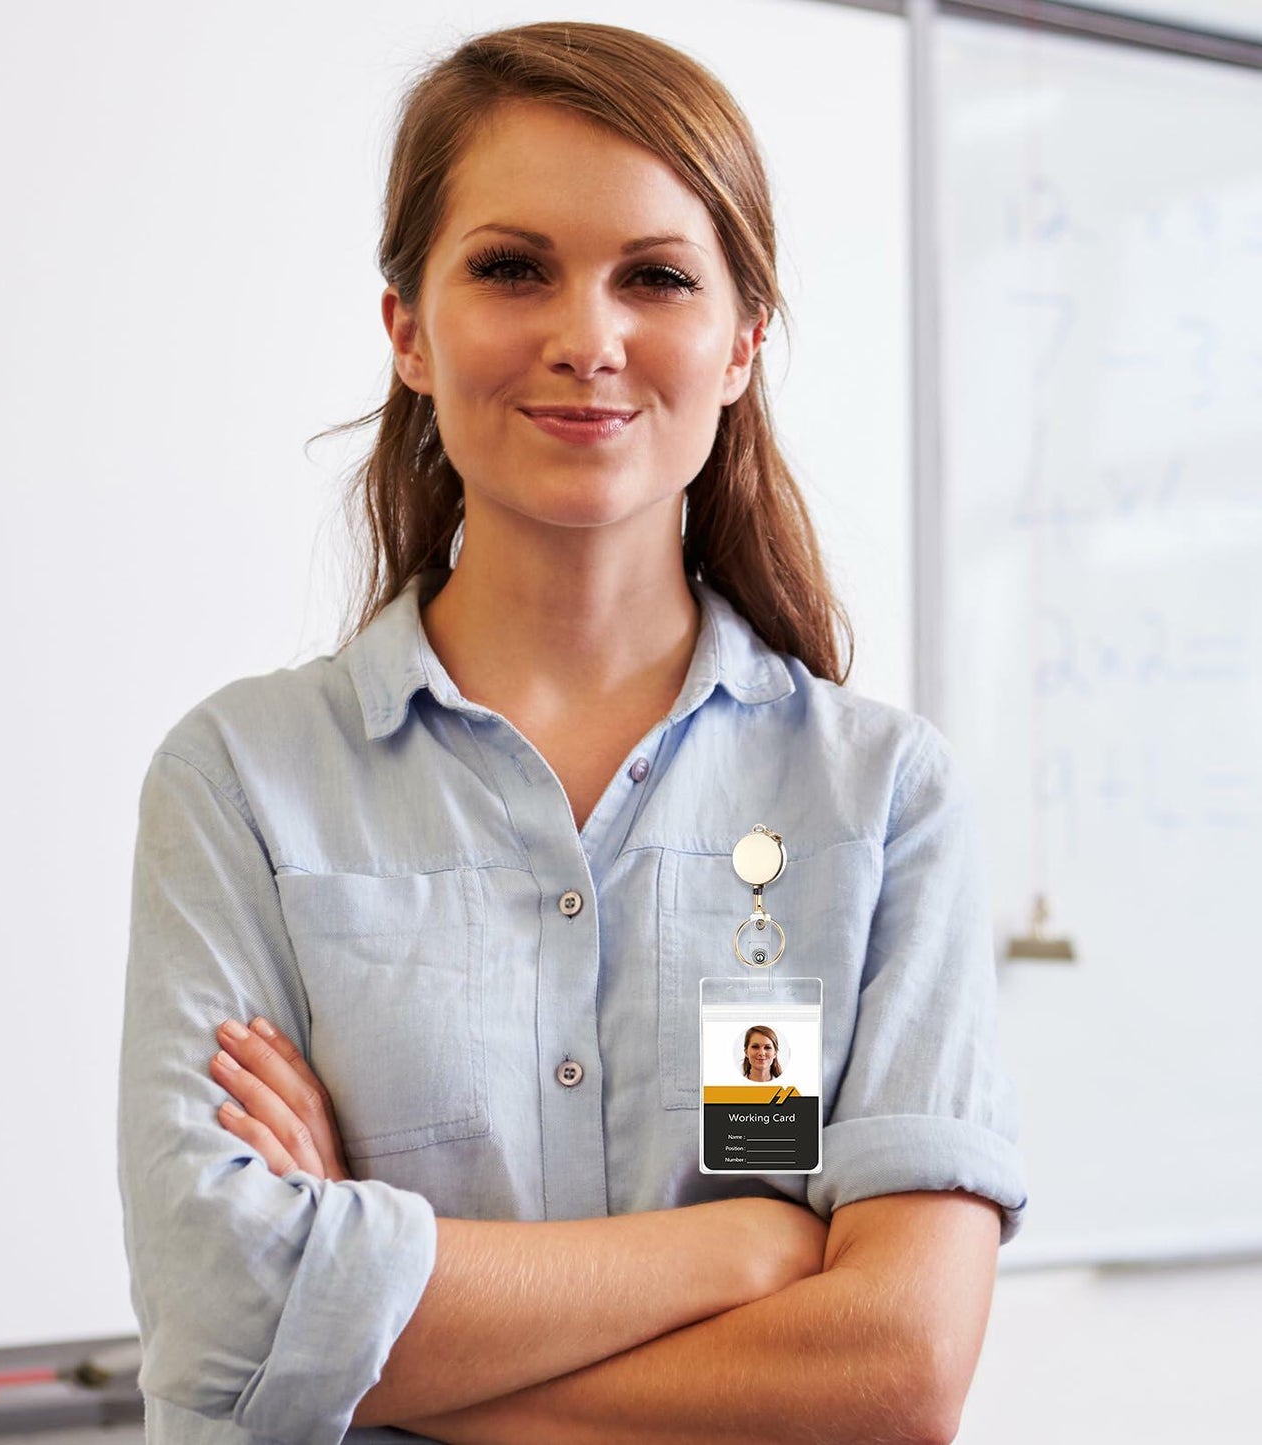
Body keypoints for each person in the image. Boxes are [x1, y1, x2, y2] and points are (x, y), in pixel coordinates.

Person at [117, 20, 1026, 1445]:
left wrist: (364, 1312)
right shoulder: (242, 781)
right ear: (407, 328)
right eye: (509, 267)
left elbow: (895, 1370)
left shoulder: (882, 798)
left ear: (741, 342)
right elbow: (215, 1309)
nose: (584, 338)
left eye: (654, 277)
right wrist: (744, 1254)